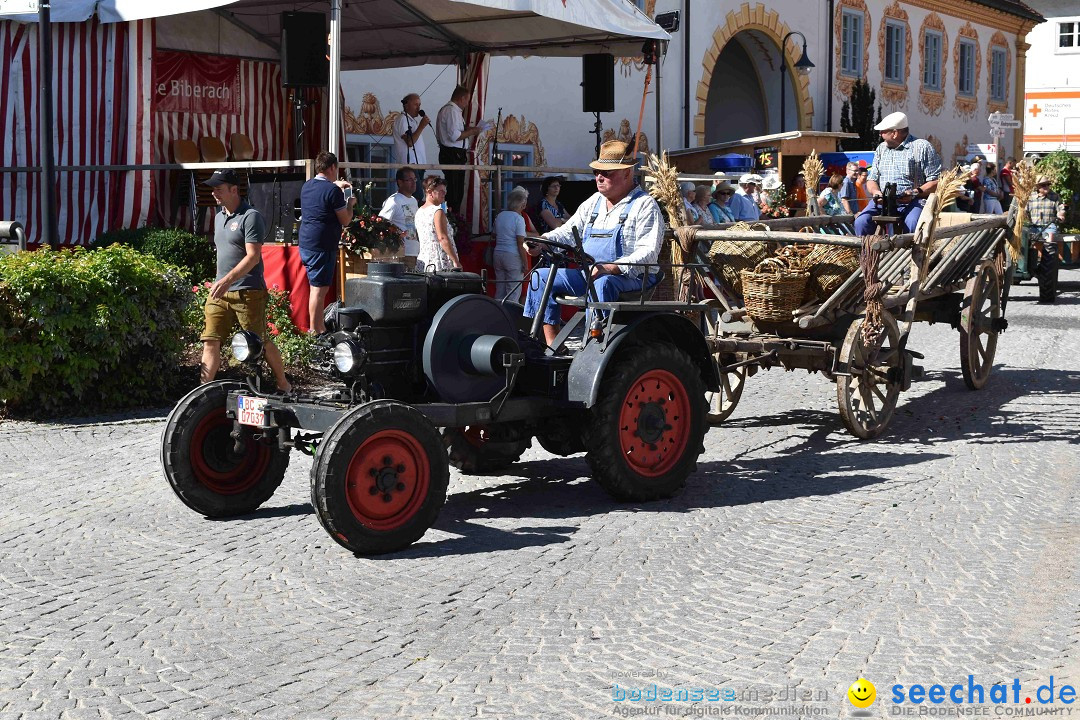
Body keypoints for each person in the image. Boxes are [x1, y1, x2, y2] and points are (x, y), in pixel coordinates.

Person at [523, 140, 665, 345]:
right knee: (540, 277)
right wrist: (542, 241)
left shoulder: (644, 205)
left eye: (607, 172)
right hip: (591, 273)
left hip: (633, 278)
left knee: (603, 283)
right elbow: (567, 233)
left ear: (627, 173)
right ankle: (551, 346)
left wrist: (610, 267)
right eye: (597, 171)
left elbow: (648, 253)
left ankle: (595, 346)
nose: (599, 176)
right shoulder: (593, 201)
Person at [199, 169, 290, 392]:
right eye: (213, 189)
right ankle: (201, 392)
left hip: (248, 292)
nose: (214, 194)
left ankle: (284, 384)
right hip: (220, 291)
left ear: (234, 189)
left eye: (219, 189)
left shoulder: (250, 216)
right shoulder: (220, 216)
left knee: (259, 342)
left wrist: (227, 280)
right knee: (210, 340)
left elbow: (253, 257)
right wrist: (221, 282)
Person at [854, 111, 942, 235]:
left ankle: (911, 253)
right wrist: (875, 192)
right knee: (861, 222)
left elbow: (936, 181)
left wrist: (914, 192)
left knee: (912, 223)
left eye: (883, 131)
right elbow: (872, 179)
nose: (880, 134)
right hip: (884, 201)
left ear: (894, 133)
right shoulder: (881, 149)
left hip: (914, 201)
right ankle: (866, 253)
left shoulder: (922, 147)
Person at [298, 151, 357, 335]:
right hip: (322, 245)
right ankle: (316, 330)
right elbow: (346, 220)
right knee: (319, 289)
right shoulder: (332, 191)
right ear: (332, 168)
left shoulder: (307, 186)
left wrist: (336, 185)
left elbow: (322, 195)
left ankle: (317, 327)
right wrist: (350, 203)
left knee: (316, 286)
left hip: (306, 242)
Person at [436, 85, 492, 213]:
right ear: (461, 99)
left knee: (456, 189)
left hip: (454, 154)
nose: (467, 104)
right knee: (454, 191)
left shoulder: (452, 111)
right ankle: (452, 218)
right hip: (452, 154)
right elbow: (455, 136)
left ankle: (453, 218)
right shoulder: (451, 111)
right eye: (467, 100)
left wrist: (468, 130)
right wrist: (473, 131)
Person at [1026, 175, 1066, 303]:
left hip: (1049, 226)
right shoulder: (1030, 198)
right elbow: (1024, 212)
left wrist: (1060, 215)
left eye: (1048, 184)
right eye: (1044, 185)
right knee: (1021, 240)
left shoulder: (1054, 197)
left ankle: (1050, 263)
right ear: (1037, 187)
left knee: (1050, 243)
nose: (1047, 187)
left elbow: (1061, 209)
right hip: (1033, 227)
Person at [415, 175, 462, 273]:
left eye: (445, 191)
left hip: (424, 260)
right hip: (439, 260)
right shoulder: (437, 211)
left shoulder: (419, 211)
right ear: (430, 192)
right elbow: (442, 238)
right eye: (441, 191)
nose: (444, 194)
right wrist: (455, 261)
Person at [377, 166, 420, 267]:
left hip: (415, 252)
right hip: (401, 255)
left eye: (415, 179)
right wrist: (396, 234)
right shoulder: (394, 201)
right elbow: (380, 224)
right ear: (400, 182)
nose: (414, 183)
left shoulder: (413, 200)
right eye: (409, 180)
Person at [493, 189, 532, 300]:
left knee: (499, 289)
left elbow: (493, 234)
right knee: (513, 292)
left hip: (498, 253)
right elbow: (520, 243)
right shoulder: (519, 219)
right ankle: (510, 316)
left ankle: (496, 314)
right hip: (512, 256)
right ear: (523, 205)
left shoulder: (500, 215)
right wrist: (525, 263)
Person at [393, 94, 429, 199]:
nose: (418, 108)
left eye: (419, 105)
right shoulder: (403, 119)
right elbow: (409, 142)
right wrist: (421, 126)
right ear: (406, 105)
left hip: (418, 165)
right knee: (416, 195)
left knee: (417, 195)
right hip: (410, 165)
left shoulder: (412, 121)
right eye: (415, 104)